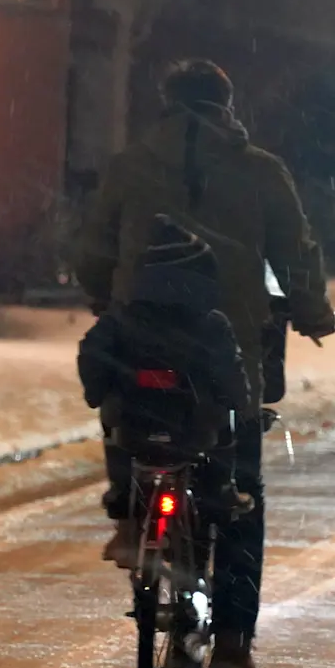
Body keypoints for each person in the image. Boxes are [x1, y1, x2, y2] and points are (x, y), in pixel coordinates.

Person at [74, 58, 335, 668]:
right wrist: (310, 312)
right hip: (231, 349)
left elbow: (92, 248)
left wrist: (106, 298)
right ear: (227, 105)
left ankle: (133, 518)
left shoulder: (131, 163)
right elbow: (295, 253)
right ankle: (232, 651)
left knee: (127, 413)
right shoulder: (259, 170)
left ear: (165, 103)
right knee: (239, 494)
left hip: (141, 338)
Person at [78, 214, 254, 567]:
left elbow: (94, 355)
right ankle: (221, 492)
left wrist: (98, 391)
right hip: (194, 430)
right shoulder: (210, 325)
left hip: (136, 427)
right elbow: (229, 375)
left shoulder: (123, 320)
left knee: (113, 427)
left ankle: (127, 518)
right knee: (224, 429)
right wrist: (241, 404)